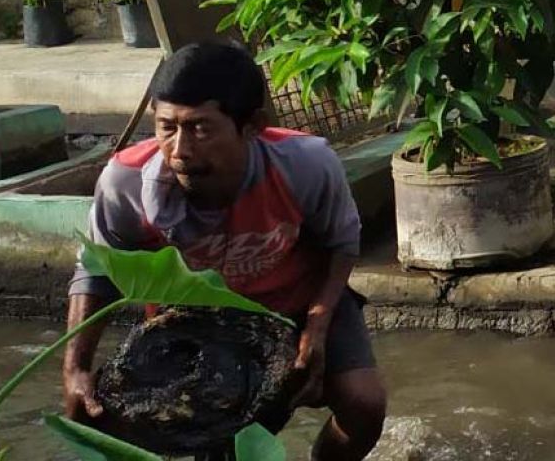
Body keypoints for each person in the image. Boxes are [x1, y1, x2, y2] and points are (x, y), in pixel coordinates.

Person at [61, 42, 386, 461]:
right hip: (196, 321)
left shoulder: (305, 164)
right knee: (96, 414)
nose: (179, 149)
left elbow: (341, 246)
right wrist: (75, 368)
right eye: (166, 127)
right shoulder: (124, 182)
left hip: (297, 303)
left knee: (364, 403)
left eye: (200, 127)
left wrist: (317, 328)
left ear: (252, 126)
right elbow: (95, 269)